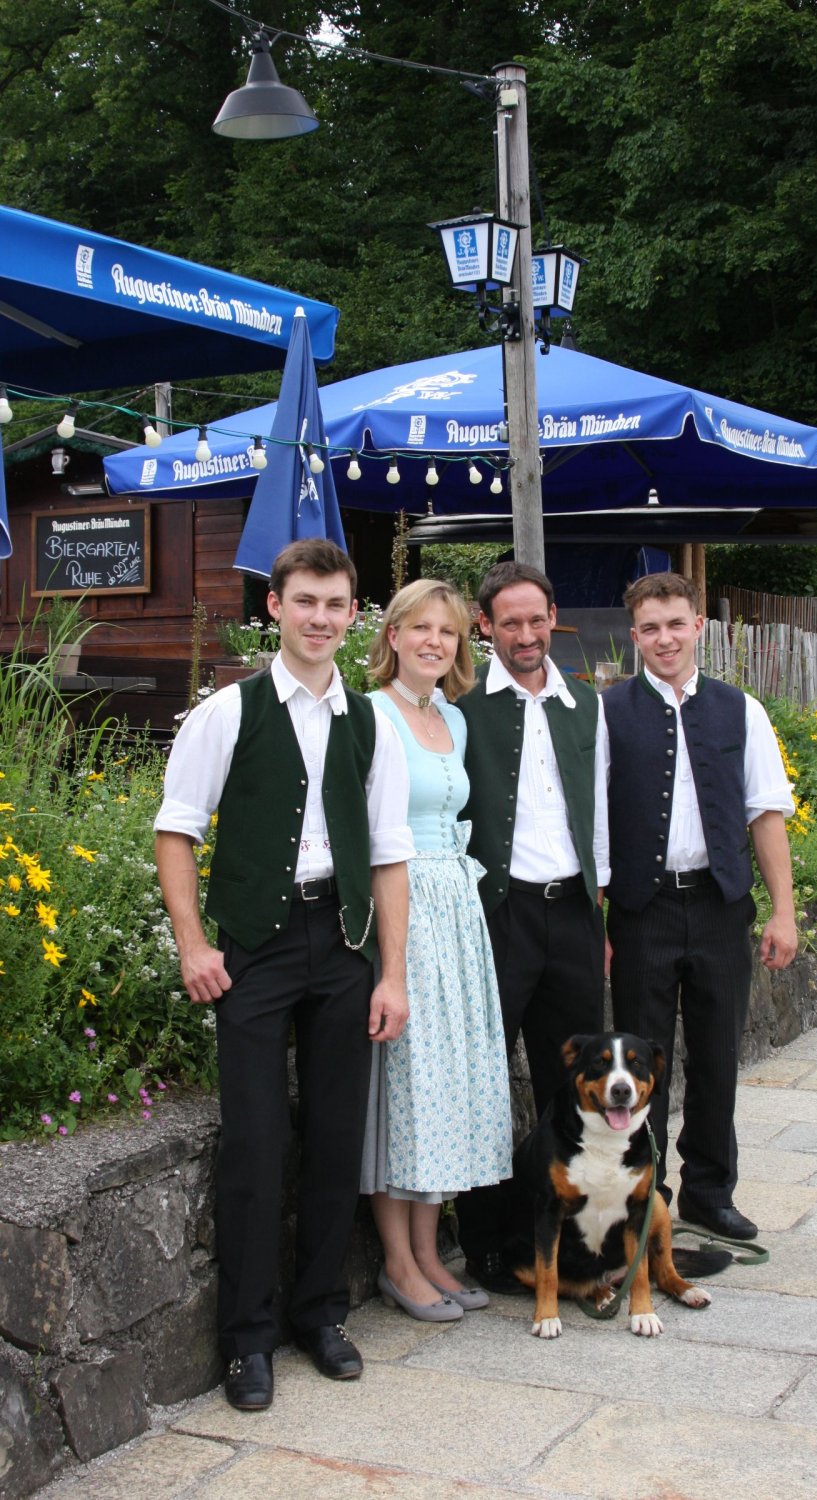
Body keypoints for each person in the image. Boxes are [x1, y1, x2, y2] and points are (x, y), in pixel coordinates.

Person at [154, 539, 413, 1412]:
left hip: (343, 948)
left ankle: (321, 1315)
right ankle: (248, 1341)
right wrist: (195, 946)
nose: (320, 619)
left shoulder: (372, 720)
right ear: (275, 606)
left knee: (337, 1138)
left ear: (353, 614)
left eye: (336, 605)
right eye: (305, 602)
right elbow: (176, 831)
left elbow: (389, 857)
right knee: (256, 1148)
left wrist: (392, 975)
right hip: (254, 951)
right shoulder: (227, 713)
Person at [603, 571, 797, 1242]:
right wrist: (600, 911)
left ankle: (709, 1193)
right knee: (641, 1064)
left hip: (720, 907)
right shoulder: (607, 712)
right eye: (650, 628)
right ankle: (645, 1195)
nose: (664, 638)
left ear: (698, 627)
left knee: (717, 1057)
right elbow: (592, 821)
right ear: (634, 637)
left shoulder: (740, 709)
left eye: (675, 624)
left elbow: (765, 814)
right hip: (641, 910)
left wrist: (784, 911)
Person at [455, 561, 610, 1292]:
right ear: (485, 626)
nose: (525, 634)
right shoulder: (461, 709)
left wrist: (599, 906)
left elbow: (597, 809)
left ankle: (578, 1237)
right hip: (499, 912)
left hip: (573, 910)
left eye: (536, 619)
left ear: (555, 619)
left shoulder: (585, 706)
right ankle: (486, 1241)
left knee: (572, 1082)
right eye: (509, 621)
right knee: (487, 1083)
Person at [360, 579, 513, 1321]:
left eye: (447, 632)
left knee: (445, 1088)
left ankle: (429, 1252)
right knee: (407, 1089)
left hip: (457, 910)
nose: (433, 642)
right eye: (418, 627)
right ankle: (397, 1260)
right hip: (406, 910)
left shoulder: (451, 716)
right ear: (391, 635)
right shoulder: (373, 715)